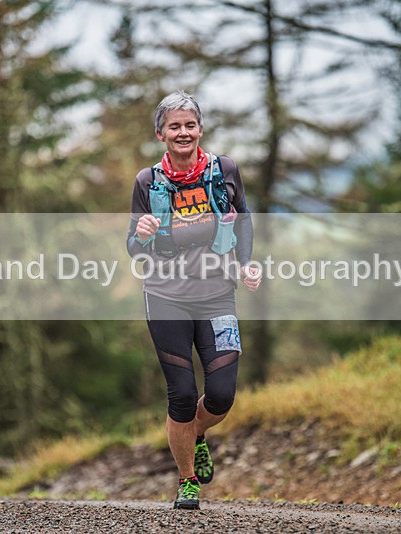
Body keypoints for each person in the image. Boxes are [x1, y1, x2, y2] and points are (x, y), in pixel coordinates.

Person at [127, 90, 261, 510]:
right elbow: (134, 247)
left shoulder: (226, 171)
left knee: (221, 395)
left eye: (189, 125)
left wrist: (244, 264)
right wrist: (145, 235)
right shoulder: (147, 183)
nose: (183, 132)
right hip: (165, 296)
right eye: (174, 126)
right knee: (181, 395)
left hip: (218, 294)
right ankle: (187, 481)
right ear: (160, 134)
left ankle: (195, 433)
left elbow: (243, 223)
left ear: (200, 129)